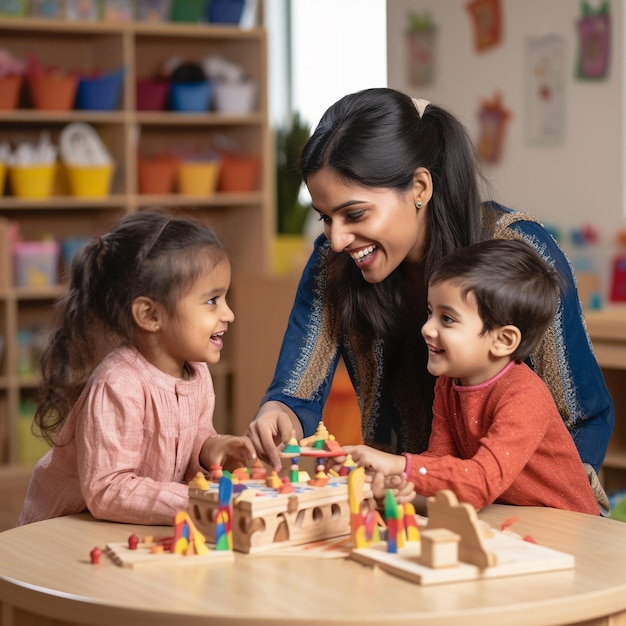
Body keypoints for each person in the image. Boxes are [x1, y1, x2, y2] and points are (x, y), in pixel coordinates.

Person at [246, 87, 613, 512]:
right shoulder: (333, 261)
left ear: (420, 186)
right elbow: (295, 394)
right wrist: (276, 415)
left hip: (534, 517)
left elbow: (582, 418)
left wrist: (544, 515)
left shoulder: (519, 250)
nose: (337, 238)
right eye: (325, 218)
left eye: (356, 214)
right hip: (416, 500)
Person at [18, 209, 256, 526]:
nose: (229, 314)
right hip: (64, 534)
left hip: (125, 526)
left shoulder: (196, 371)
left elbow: (190, 436)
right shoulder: (118, 384)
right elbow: (108, 490)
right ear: (150, 315)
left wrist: (211, 448)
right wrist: (198, 499)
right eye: (212, 300)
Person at [342, 239, 600, 515]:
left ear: (503, 340)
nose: (427, 328)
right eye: (431, 312)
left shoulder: (524, 396)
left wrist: (400, 465)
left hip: (566, 528)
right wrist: (400, 488)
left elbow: (481, 480)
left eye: (447, 319)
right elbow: (440, 462)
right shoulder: (449, 384)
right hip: (506, 519)